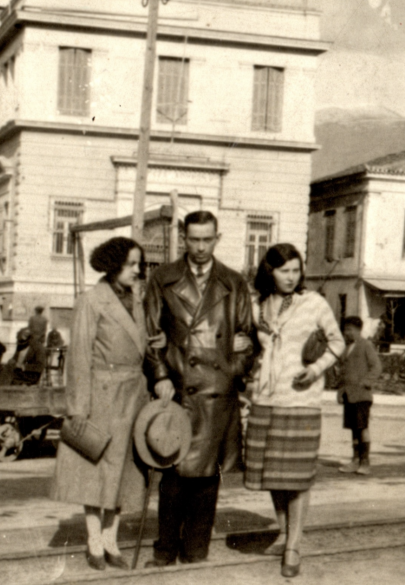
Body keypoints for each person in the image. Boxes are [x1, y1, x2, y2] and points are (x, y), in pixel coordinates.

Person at [143, 210, 256, 567]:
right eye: (194, 239)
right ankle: (165, 549)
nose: (201, 247)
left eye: (208, 239)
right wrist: (160, 375)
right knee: (172, 472)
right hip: (177, 389)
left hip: (216, 392)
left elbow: (248, 338)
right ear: (183, 238)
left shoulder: (234, 282)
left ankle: (195, 549)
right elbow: (150, 334)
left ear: (217, 239)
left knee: (207, 476)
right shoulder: (162, 278)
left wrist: (231, 371)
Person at [51, 236, 165, 571]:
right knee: (95, 469)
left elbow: (137, 341)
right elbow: (80, 356)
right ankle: (93, 542)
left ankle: (112, 540)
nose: (137, 271)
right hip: (101, 396)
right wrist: (77, 408)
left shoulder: (137, 300)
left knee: (126, 474)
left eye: (139, 265)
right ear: (114, 264)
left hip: (133, 395)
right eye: (131, 264)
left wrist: (155, 341)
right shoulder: (91, 300)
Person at [246, 243, 344, 578]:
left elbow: (338, 342)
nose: (291, 277)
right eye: (283, 270)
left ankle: (293, 546)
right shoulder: (257, 305)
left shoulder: (314, 303)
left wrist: (316, 370)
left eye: (295, 270)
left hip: (301, 400)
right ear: (268, 271)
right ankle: (284, 531)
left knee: (297, 478)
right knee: (274, 474)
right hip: (266, 400)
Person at [337, 316, 382, 475]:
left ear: (358, 330)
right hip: (348, 395)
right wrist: (341, 389)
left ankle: (365, 462)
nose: (346, 333)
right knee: (353, 429)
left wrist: (365, 383)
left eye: (349, 329)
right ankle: (355, 460)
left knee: (362, 427)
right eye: (345, 329)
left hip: (362, 395)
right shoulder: (345, 347)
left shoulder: (366, 345)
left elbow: (376, 367)